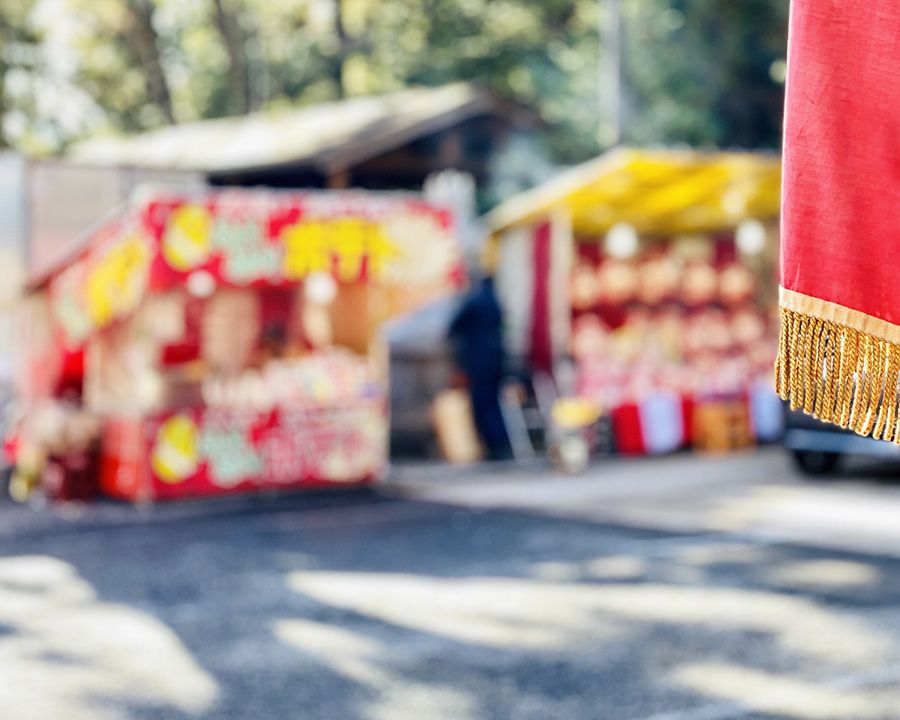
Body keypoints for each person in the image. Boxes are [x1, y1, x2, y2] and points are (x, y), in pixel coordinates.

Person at [447, 275, 512, 460]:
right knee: (494, 401)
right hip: (497, 358)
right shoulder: (497, 304)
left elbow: (454, 327)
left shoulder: (475, 301)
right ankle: (500, 441)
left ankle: (493, 444)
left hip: (479, 360)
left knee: (483, 402)